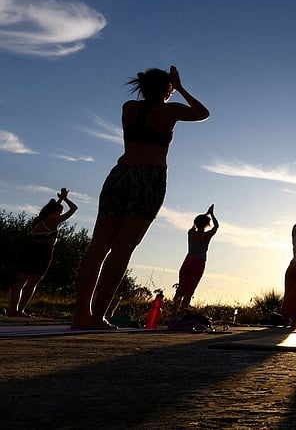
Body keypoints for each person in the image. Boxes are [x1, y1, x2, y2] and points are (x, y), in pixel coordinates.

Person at [72, 66, 209, 330]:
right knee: (122, 249)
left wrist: (170, 87)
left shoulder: (129, 108)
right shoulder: (170, 111)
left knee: (97, 248)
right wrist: (179, 87)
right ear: (166, 89)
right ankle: (97, 315)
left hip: (120, 174)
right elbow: (203, 113)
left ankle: (81, 315)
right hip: (149, 179)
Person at [8, 188, 78, 317]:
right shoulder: (53, 221)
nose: (60, 214)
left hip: (30, 250)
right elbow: (74, 209)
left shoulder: (37, 221)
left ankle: (14, 310)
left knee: (20, 280)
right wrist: (66, 199)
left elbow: (50, 210)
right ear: (55, 212)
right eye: (59, 212)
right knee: (32, 281)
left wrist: (60, 199)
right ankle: (19, 311)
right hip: (43, 253)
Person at [172, 204, 219, 314]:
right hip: (198, 263)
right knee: (189, 290)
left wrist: (203, 215)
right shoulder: (206, 236)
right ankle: (182, 313)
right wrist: (211, 214)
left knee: (181, 288)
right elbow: (216, 226)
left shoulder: (191, 233)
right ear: (207, 224)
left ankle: (173, 312)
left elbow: (194, 225)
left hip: (188, 261)